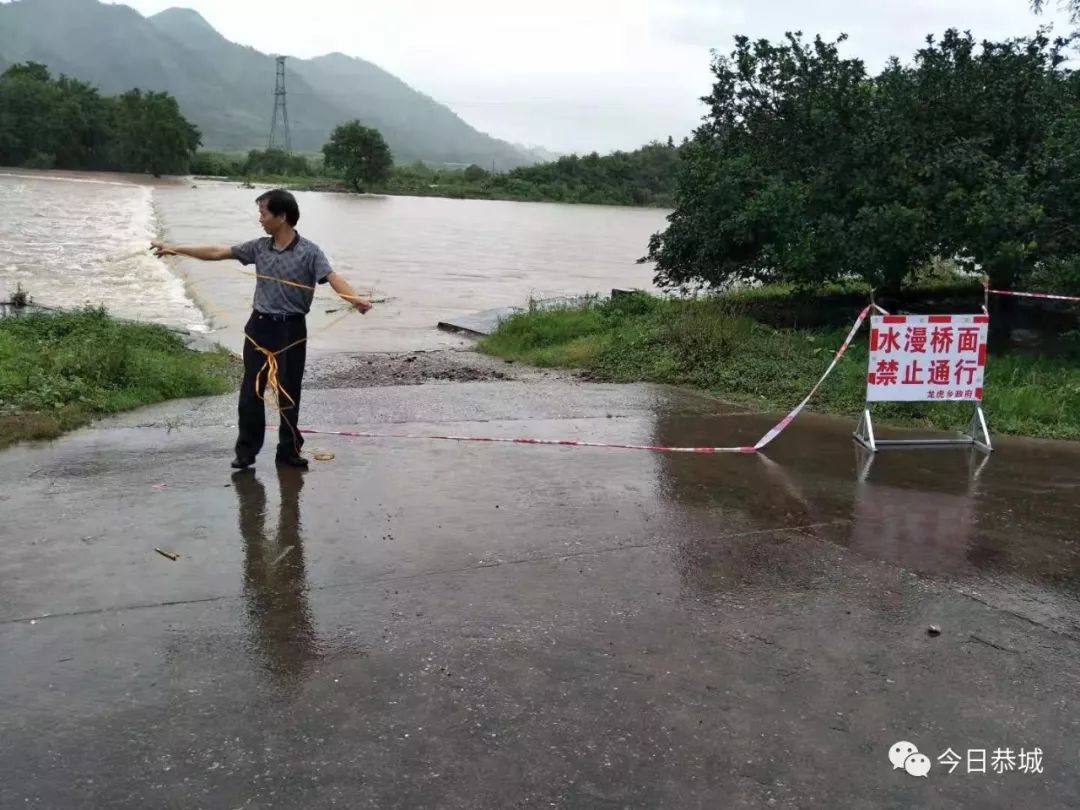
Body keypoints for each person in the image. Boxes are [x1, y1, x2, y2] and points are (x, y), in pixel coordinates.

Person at [151, 188, 371, 470]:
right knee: (251, 392)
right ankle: (245, 453)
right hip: (259, 327)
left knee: (288, 393)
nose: (260, 219)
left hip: (291, 331)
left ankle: (289, 451)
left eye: (264, 213)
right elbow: (219, 252)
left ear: (282, 216)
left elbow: (332, 277)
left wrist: (355, 300)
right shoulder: (258, 247)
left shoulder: (310, 252)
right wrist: (175, 248)